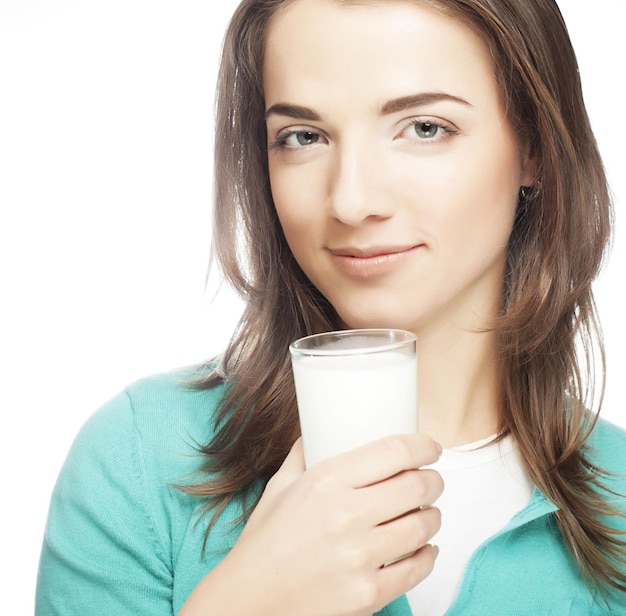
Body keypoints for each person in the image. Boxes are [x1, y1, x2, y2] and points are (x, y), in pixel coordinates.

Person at [35, 0, 626, 614]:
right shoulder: (141, 460)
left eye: (425, 127)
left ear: (533, 148)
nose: (350, 200)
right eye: (303, 137)